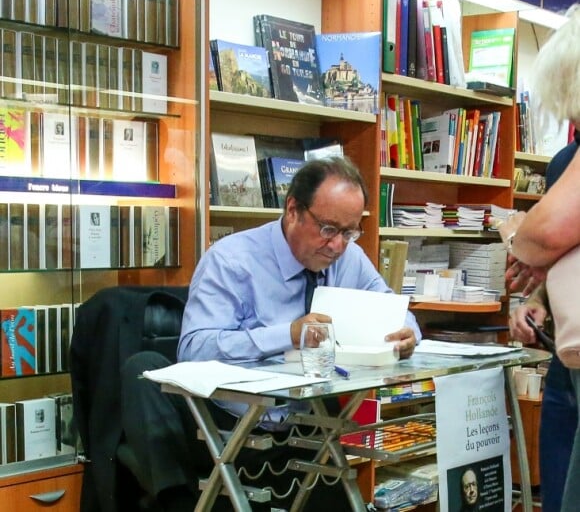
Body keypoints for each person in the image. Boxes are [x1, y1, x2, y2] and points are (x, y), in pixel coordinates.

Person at [122, 156, 421, 511]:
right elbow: (194, 348)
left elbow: (391, 307)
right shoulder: (231, 260)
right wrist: (287, 335)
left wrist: (407, 332)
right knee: (140, 369)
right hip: (229, 427)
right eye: (328, 229)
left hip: (308, 426)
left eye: (350, 231)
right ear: (293, 209)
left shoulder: (347, 257)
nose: (338, 245)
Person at [494, 4, 580, 512]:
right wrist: (537, 296)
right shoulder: (564, 163)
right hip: (567, 361)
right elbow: (556, 259)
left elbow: (540, 239)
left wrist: (522, 242)